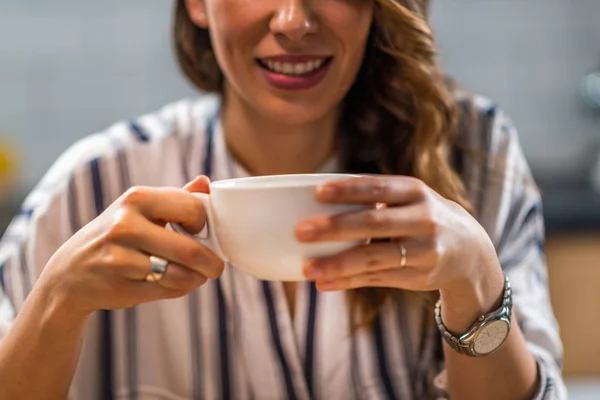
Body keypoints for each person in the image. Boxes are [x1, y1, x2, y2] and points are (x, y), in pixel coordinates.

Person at [0, 0, 566, 399]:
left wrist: (473, 277)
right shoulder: (92, 186)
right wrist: (55, 306)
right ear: (196, 3)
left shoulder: (476, 156)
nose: (294, 22)